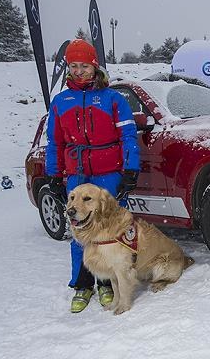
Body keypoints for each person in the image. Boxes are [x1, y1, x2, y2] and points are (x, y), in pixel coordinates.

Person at [44, 39, 140, 313]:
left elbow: (128, 136)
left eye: (84, 66)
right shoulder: (61, 102)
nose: (79, 71)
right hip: (76, 173)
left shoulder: (112, 99)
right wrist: (54, 174)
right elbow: (55, 142)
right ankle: (83, 285)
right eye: (73, 66)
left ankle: (107, 283)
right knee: (79, 232)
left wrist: (130, 169)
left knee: (111, 230)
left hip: (109, 172)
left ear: (94, 65)